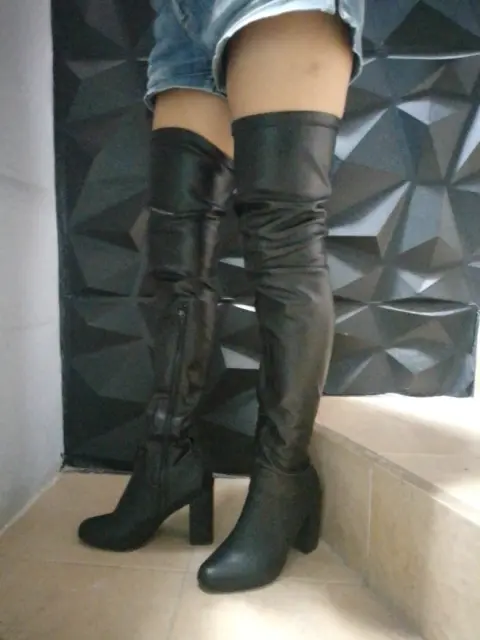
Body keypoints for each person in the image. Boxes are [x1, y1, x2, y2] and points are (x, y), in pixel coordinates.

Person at [78, 0, 365, 593]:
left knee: (284, 241)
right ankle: (167, 459)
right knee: (176, 266)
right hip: (181, 17)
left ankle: (283, 479)